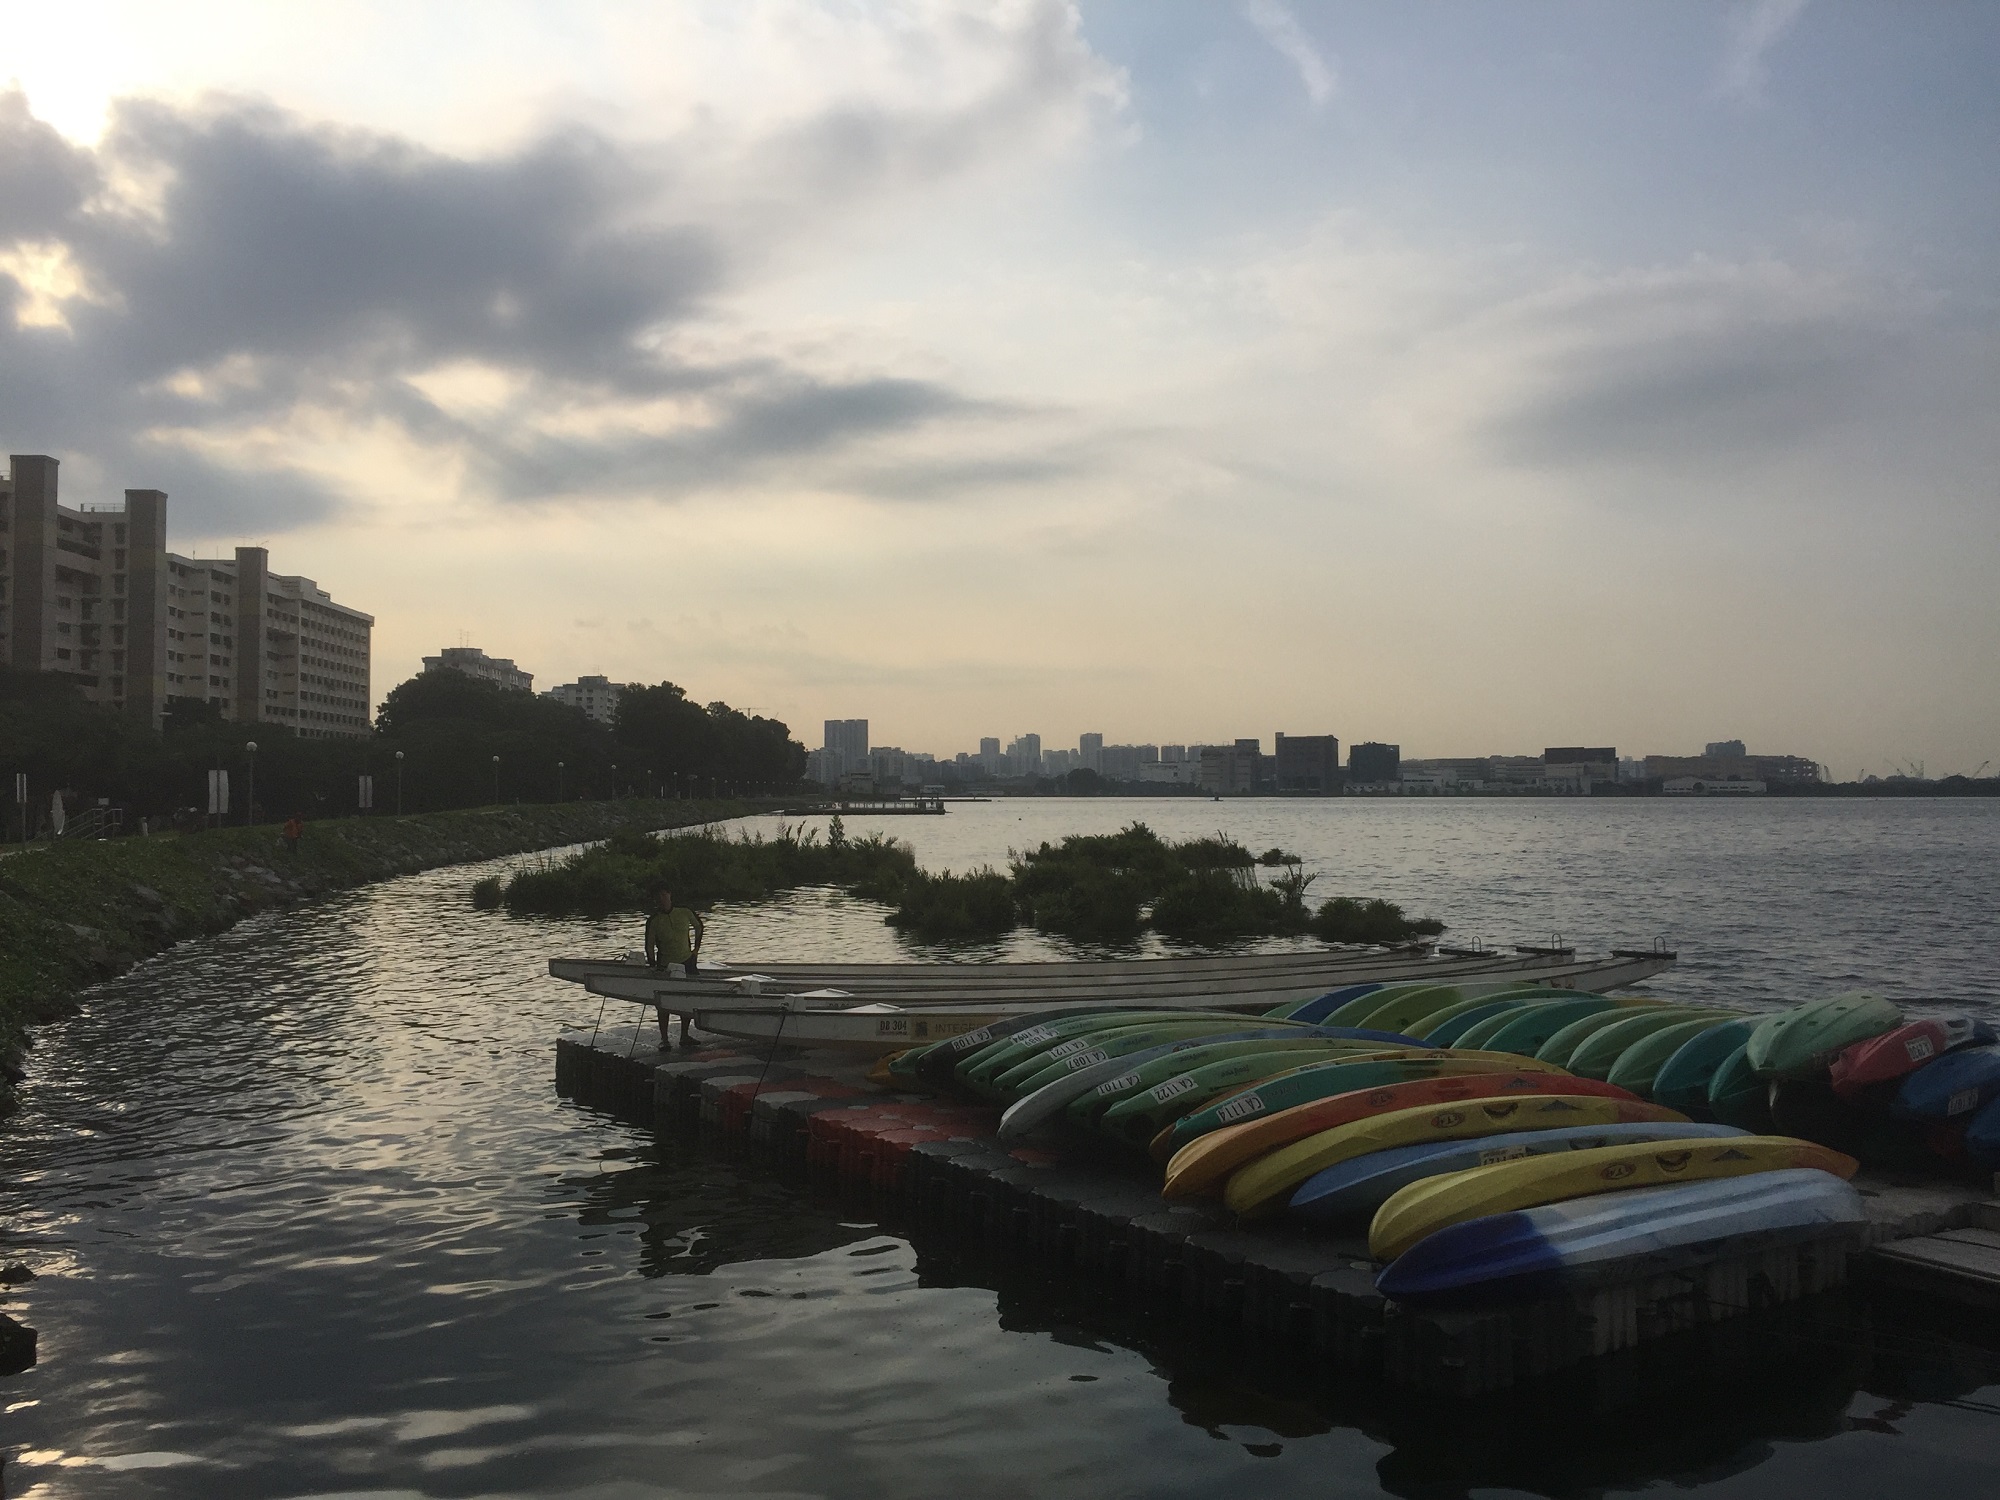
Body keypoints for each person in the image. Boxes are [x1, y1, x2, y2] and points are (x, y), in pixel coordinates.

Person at [643, 886, 704, 977]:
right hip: (665, 964)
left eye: (664, 895)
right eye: (658, 896)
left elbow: (699, 927)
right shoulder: (653, 920)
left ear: (669, 894)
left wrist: (696, 950)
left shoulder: (685, 911)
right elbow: (649, 945)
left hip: (687, 960)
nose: (661, 899)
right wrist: (652, 965)